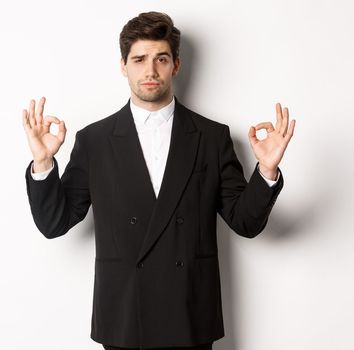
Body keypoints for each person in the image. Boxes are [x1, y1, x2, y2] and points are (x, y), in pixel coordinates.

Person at [21, 11, 295, 350]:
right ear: (123, 65)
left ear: (176, 65)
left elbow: (245, 222)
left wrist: (266, 170)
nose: (150, 71)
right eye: (139, 59)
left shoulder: (211, 138)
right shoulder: (94, 141)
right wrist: (44, 162)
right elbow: (54, 222)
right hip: (123, 320)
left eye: (161, 59)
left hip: (189, 317)